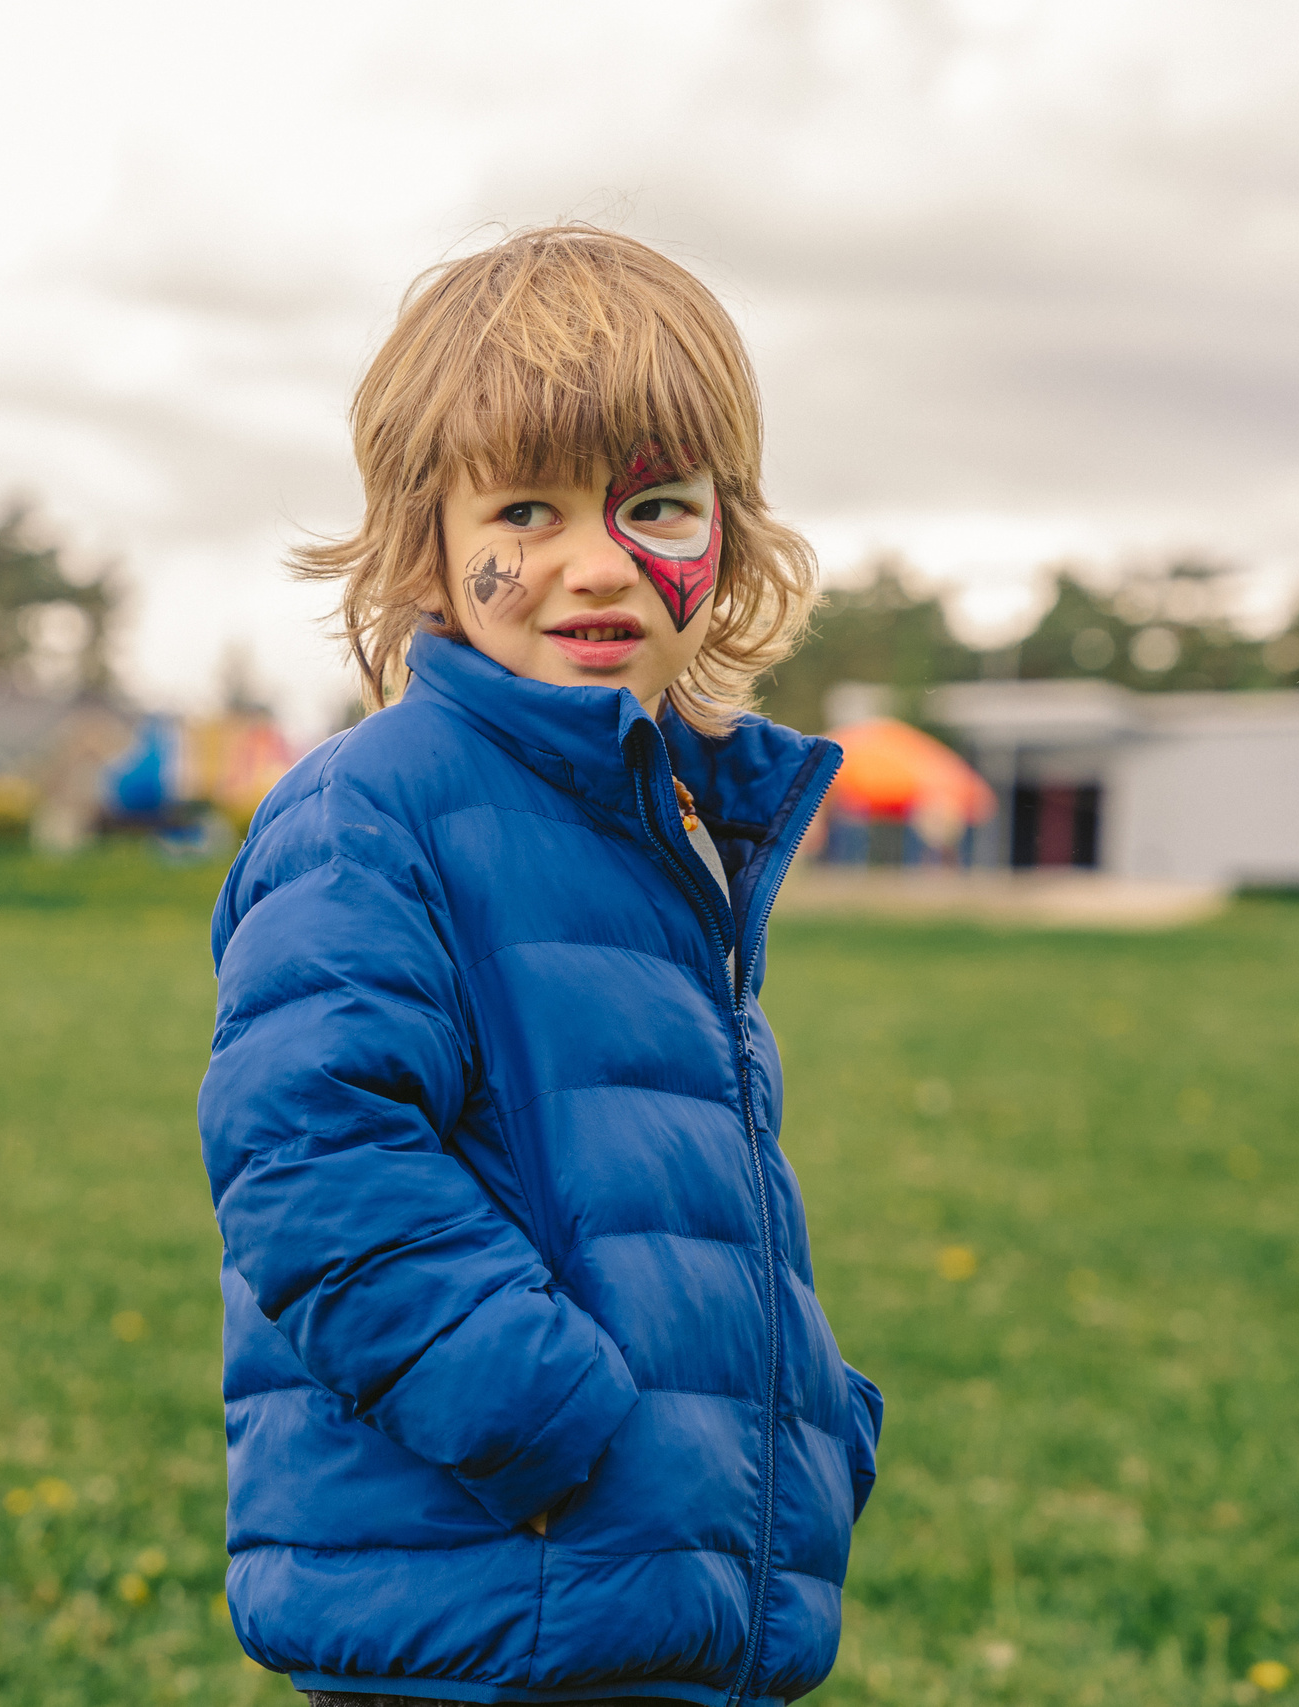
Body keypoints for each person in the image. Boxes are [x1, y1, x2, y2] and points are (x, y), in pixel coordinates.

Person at [199, 226, 882, 1707]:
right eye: (528, 508)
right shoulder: (372, 809)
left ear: (725, 535)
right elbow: (310, 1156)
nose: (593, 564)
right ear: (429, 543)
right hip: (488, 1581)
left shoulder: (669, 823)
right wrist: (554, 1424)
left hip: (645, 1587)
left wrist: (812, 1423)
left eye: (652, 506)